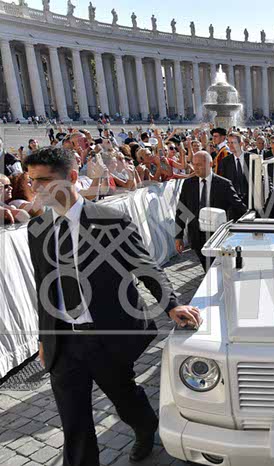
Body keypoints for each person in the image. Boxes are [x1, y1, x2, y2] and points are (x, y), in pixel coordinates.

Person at [25, 146, 202, 466]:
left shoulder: (111, 221)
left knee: (125, 398)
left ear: (72, 177)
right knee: (74, 424)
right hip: (63, 341)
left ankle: (145, 426)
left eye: (44, 180)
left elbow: (144, 265)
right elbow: (43, 287)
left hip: (105, 336)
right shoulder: (37, 229)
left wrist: (172, 305)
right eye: (32, 180)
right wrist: (43, 337)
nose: (36, 188)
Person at [175, 151, 247, 270]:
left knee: (218, 269)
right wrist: (178, 236)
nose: (195, 168)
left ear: (210, 164)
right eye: (194, 164)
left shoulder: (224, 184)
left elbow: (239, 208)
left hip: (218, 236)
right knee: (207, 268)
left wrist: (239, 232)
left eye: (199, 164)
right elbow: (182, 211)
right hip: (197, 236)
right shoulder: (188, 184)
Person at [221, 132, 251, 206]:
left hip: (251, 200)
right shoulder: (225, 161)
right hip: (233, 202)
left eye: (233, 142)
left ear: (241, 144)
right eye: (229, 143)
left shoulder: (252, 158)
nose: (230, 145)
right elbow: (224, 182)